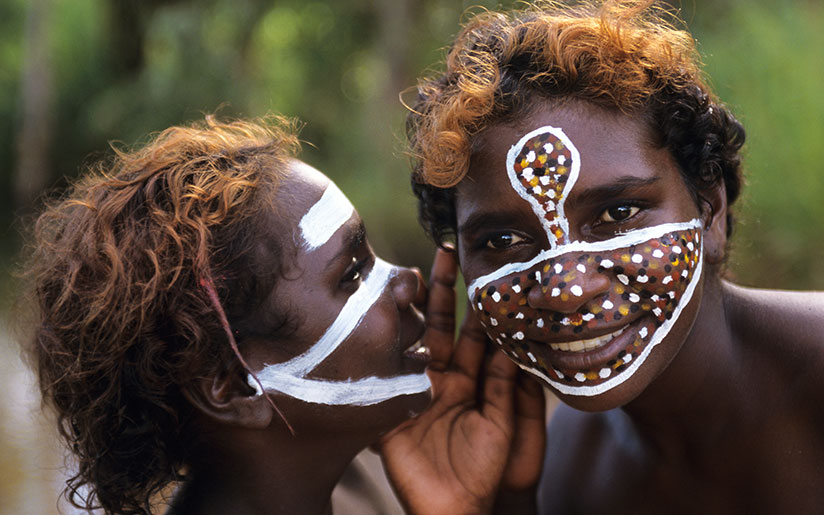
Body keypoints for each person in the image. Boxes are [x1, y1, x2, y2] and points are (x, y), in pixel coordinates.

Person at [405, 0, 824, 512]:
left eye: (619, 212)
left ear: (709, 210)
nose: (567, 291)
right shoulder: (564, 469)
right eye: (502, 242)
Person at [20, 116, 545, 514]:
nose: (408, 279)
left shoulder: (377, 487)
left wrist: (501, 501)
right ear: (236, 387)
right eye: (352, 275)